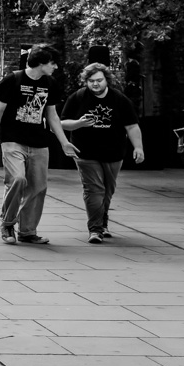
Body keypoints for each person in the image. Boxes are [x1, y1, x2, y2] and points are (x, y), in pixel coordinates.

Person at [0, 45, 77, 245]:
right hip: (12, 140)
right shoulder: (13, 80)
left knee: (38, 187)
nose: (56, 67)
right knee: (18, 179)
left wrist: (65, 142)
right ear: (41, 63)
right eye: (53, 63)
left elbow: (52, 115)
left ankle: (27, 231)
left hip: (39, 142)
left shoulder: (50, 83)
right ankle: (7, 223)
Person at [60, 63, 144, 242]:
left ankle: (102, 222)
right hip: (85, 152)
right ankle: (95, 229)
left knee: (107, 191)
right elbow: (62, 123)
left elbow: (131, 125)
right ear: (86, 81)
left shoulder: (119, 99)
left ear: (107, 80)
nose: (95, 84)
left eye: (99, 80)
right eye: (91, 81)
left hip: (113, 152)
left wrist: (138, 147)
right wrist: (79, 123)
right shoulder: (78, 97)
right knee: (94, 190)